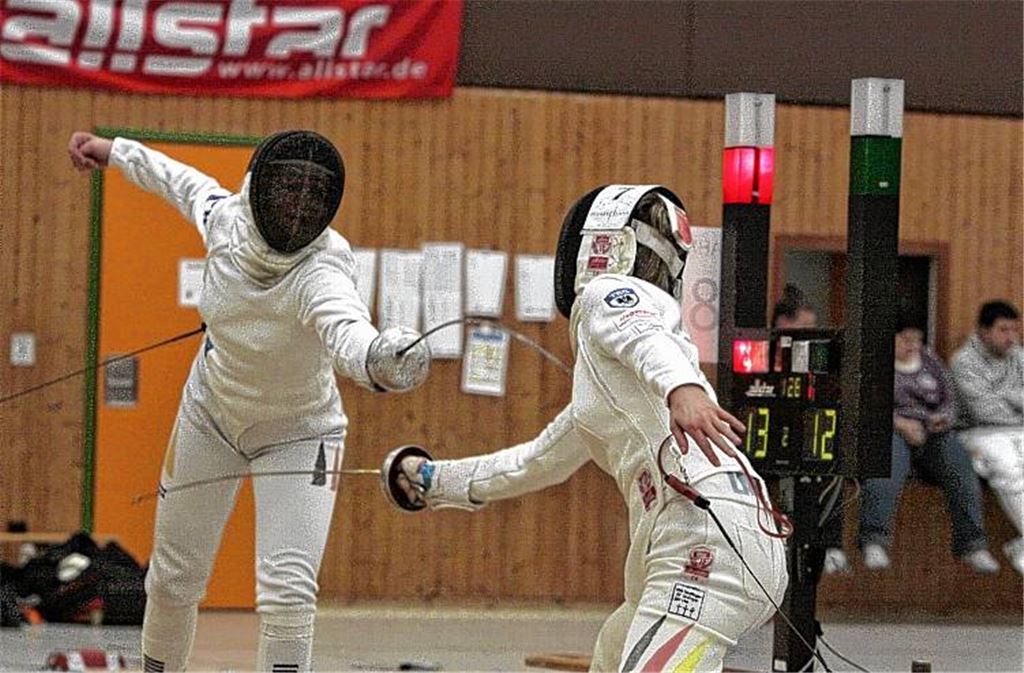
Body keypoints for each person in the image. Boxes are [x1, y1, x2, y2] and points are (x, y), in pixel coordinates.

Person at [383, 185, 790, 672]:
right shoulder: (604, 400)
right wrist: (429, 480)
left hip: (704, 543)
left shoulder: (611, 295)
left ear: (600, 247)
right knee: (614, 651)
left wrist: (684, 387)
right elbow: (534, 463)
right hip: (703, 541)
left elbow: (640, 332)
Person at [67, 130, 431, 672]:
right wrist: (116, 151)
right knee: (171, 578)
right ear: (261, 187)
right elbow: (177, 180)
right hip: (209, 417)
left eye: (314, 194)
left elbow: (346, 329)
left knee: (288, 591)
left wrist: (378, 357)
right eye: (289, 189)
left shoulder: (324, 268)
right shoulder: (225, 218)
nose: (298, 205)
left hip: (300, 432)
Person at [858, 320, 999, 573]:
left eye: (917, 340)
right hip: (893, 430)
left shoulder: (930, 361)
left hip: (932, 432)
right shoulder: (875, 365)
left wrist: (942, 418)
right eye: (905, 340)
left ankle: (973, 544)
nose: (912, 346)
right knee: (886, 464)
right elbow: (867, 405)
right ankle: (874, 540)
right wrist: (900, 423)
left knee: (959, 462)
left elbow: (950, 399)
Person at [771, 285, 850, 575]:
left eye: (813, 326)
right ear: (783, 324)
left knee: (830, 472)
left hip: (809, 439)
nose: (811, 332)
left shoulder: (819, 357)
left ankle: (831, 546)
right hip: (774, 439)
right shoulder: (765, 353)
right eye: (804, 326)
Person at [951, 300, 1024, 574]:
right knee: (1007, 467)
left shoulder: (1019, 357)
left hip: (1017, 430)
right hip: (977, 432)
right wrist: (1017, 403)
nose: (1011, 337)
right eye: (1003, 330)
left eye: (1014, 330)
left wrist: (1008, 398)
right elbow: (984, 411)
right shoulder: (964, 362)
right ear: (983, 331)